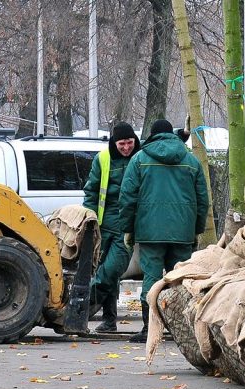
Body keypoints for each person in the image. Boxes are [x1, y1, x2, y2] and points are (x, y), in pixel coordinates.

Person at [118, 119, 209, 343]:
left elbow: (127, 198)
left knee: (151, 277)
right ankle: (183, 329)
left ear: (152, 135)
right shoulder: (191, 161)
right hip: (183, 233)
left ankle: (150, 328)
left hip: (149, 232)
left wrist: (128, 229)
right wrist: (196, 230)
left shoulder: (139, 159)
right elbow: (202, 201)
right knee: (180, 280)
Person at [83, 122, 142, 333]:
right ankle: (109, 321)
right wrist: (89, 220)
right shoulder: (103, 159)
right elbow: (91, 192)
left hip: (126, 226)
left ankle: (81, 304)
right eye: (122, 144)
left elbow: (160, 139)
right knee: (106, 273)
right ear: (114, 143)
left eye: (129, 142)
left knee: (110, 270)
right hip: (103, 224)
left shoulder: (142, 156)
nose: (126, 147)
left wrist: (183, 134)